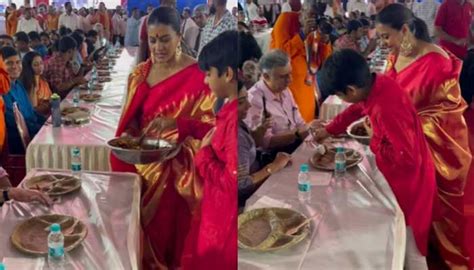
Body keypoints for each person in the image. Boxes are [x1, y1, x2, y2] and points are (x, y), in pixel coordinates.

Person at [109, 7, 215, 269]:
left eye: (165, 39)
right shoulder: (140, 74)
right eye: (153, 40)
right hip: (142, 162)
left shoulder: (199, 76)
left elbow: (212, 129)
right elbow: (130, 123)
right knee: (140, 231)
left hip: (180, 167)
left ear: (179, 37)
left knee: (172, 229)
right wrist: (129, 135)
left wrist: (178, 125)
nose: (158, 47)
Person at [313, 49, 437, 270]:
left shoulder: (384, 107)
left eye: (340, 96)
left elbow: (405, 159)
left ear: (350, 89)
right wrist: (330, 129)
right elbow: (356, 109)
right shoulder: (375, 85)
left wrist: (374, 140)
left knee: (412, 251)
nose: (342, 100)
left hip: (410, 186)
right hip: (408, 177)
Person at [376, 4, 473, 268]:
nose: (384, 44)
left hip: (437, 149)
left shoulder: (437, 63)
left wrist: (398, 123)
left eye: (386, 37)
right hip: (405, 147)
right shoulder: (397, 54)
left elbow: (445, 117)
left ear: (405, 30)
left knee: (439, 216)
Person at [175, 30, 238, 270]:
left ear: (228, 73)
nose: (205, 80)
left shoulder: (233, 117)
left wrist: (203, 157)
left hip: (223, 215)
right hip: (215, 205)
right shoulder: (228, 110)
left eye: (209, 74)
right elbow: (214, 135)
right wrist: (184, 125)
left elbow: (230, 180)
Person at [244, 50, 310, 159]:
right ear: (266, 76)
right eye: (283, 76)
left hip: (294, 147)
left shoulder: (284, 90)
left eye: (290, 74)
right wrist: (297, 134)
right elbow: (264, 142)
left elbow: (299, 122)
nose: (290, 80)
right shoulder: (253, 100)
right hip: (273, 157)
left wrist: (309, 129)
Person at [237, 81, 291, 208]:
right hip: (245, 201)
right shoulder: (236, 137)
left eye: (246, 99)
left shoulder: (238, 122)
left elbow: (251, 144)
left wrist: (262, 128)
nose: (248, 105)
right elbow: (241, 187)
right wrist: (274, 166)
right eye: (240, 102)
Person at [270, 0, 318, 122]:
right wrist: (302, 35)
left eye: (315, 16)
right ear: (302, 11)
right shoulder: (285, 20)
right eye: (310, 14)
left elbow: (320, 59)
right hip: (290, 83)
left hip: (307, 82)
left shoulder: (315, 27)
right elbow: (281, 55)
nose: (312, 19)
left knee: (308, 118)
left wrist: (325, 40)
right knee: (294, 120)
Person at [0, 46, 45, 154]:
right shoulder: (3, 91)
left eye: (18, 62)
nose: (15, 66)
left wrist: (47, 123)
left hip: (34, 131)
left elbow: (32, 111)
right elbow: (16, 122)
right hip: (19, 141)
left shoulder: (19, 84)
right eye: (9, 63)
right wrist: (42, 129)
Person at [19, 51, 52, 117]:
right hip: (39, 118)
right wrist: (48, 105)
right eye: (36, 65)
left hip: (48, 112)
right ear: (28, 67)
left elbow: (50, 98)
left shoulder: (42, 80)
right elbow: (34, 110)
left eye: (41, 63)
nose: (40, 67)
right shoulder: (30, 84)